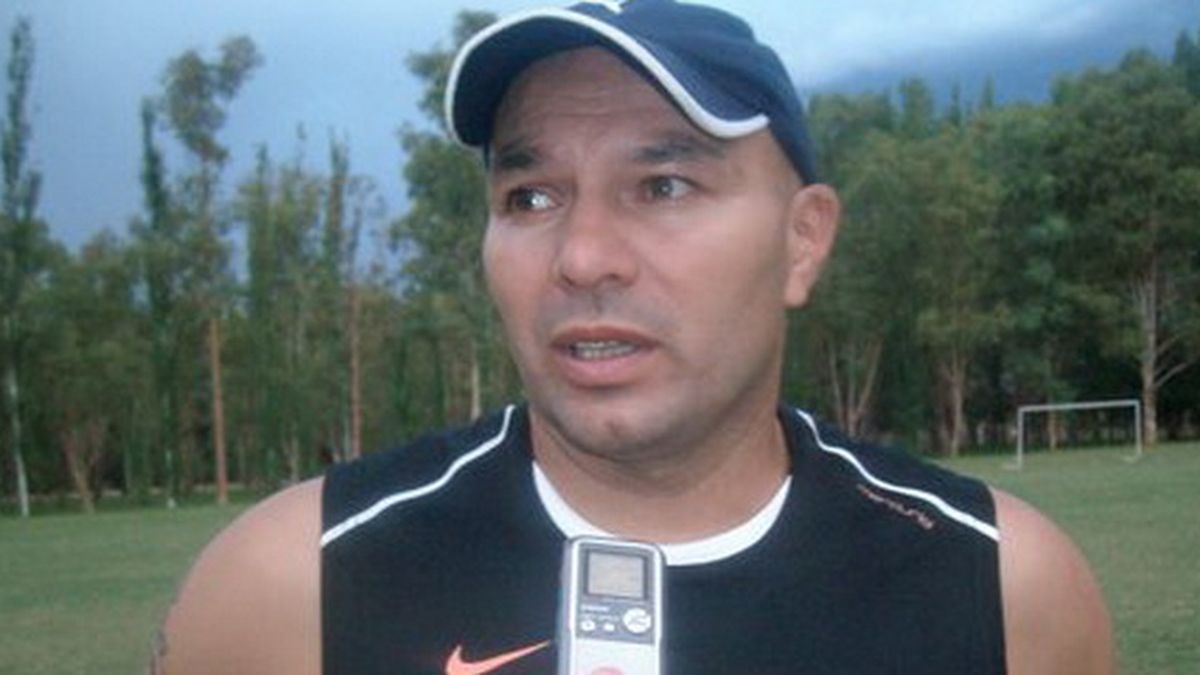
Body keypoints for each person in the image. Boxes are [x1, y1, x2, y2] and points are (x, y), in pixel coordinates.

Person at [155, 1, 1114, 673]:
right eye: (531, 196)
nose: (582, 256)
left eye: (663, 185)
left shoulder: (999, 589)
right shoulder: (294, 587)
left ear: (802, 240)